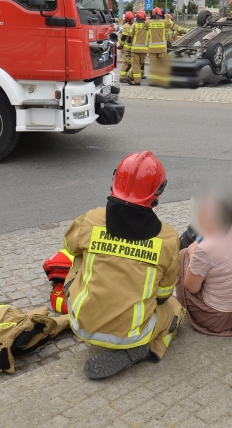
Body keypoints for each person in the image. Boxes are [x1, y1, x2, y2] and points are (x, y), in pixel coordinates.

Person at [62, 151, 185, 379]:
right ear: (157, 192)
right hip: (131, 333)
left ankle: (87, 304)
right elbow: (163, 295)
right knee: (176, 310)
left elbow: (69, 247)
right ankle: (147, 349)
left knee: (79, 254)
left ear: (114, 182)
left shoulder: (89, 220)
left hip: (80, 323)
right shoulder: (168, 239)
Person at [175, 189, 232, 336]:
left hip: (220, 319)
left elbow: (191, 288)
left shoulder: (205, 248)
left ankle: (180, 308)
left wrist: (192, 252)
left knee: (182, 255)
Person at [147, 7, 172, 88]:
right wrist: (165, 17)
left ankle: (154, 81)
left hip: (152, 48)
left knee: (153, 65)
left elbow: (144, 26)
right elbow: (171, 24)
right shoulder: (165, 22)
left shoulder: (148, 22)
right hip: (162, 48)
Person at [128, 11, 149, 85]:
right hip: (144, 50)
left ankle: (137, 81)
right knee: (139, 64)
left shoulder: (134, 25)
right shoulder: (147, 25)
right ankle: (130, 76)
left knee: (135, 64)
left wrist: (128, 44)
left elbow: (130, 36)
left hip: (135, 49)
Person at [118, 11, 135, 84]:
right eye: (132, 18)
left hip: (128, 48)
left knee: (129, 63)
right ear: (129, 19)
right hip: (127, 48)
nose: (133, 20)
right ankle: (122, 78)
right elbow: (123, 38)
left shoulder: (126, 26)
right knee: (126, 63)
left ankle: (126, 76)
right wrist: (121, 46)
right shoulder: (127, 27)